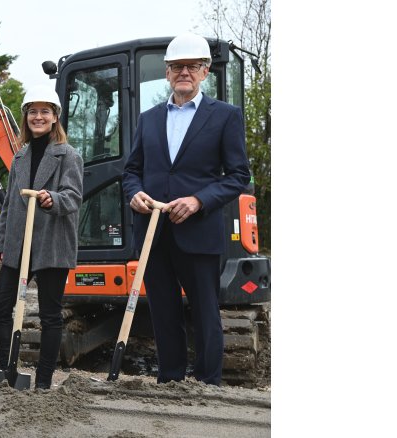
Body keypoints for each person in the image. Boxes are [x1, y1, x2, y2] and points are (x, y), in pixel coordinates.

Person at [122, 33, 251, 385]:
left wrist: (198, 201)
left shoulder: (225, 116)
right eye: (177, 66)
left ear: (205, 71)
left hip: (199, 231)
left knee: (205, 312)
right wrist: (135, 194)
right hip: (154, 232)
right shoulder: (148, 120)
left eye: (192, 66)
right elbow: (132, 171)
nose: (184, 72)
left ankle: (209, 384)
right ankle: (171, 380)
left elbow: (239, 174)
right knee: (163, 313)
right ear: (167, 72)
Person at [0, 86, 83, 390]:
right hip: (18, 244)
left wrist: (51, 198)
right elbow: (9, 207)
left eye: (45, 111)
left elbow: (74, 197)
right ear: (26, 116)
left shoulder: (69, 155)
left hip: (51, 243)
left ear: (55, 117)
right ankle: (8, 370)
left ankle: (43, 381)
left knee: (50, 315)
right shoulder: (20, 156)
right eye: (32, 111)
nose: (38, 117)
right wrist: (3, 243)